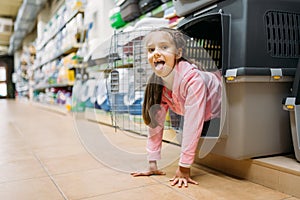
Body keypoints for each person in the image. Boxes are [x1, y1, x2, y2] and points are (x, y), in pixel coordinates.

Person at [131, 27, 222, 187]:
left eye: (164, 47)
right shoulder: (158, 85)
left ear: (178, 54)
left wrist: (184, 167)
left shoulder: (193, 81)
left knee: (189, 127)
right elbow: (155, 125)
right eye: (151, 49)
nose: (156, 53)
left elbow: (193, 125)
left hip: (223, 98)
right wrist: (152, 164)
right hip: (195, 107)